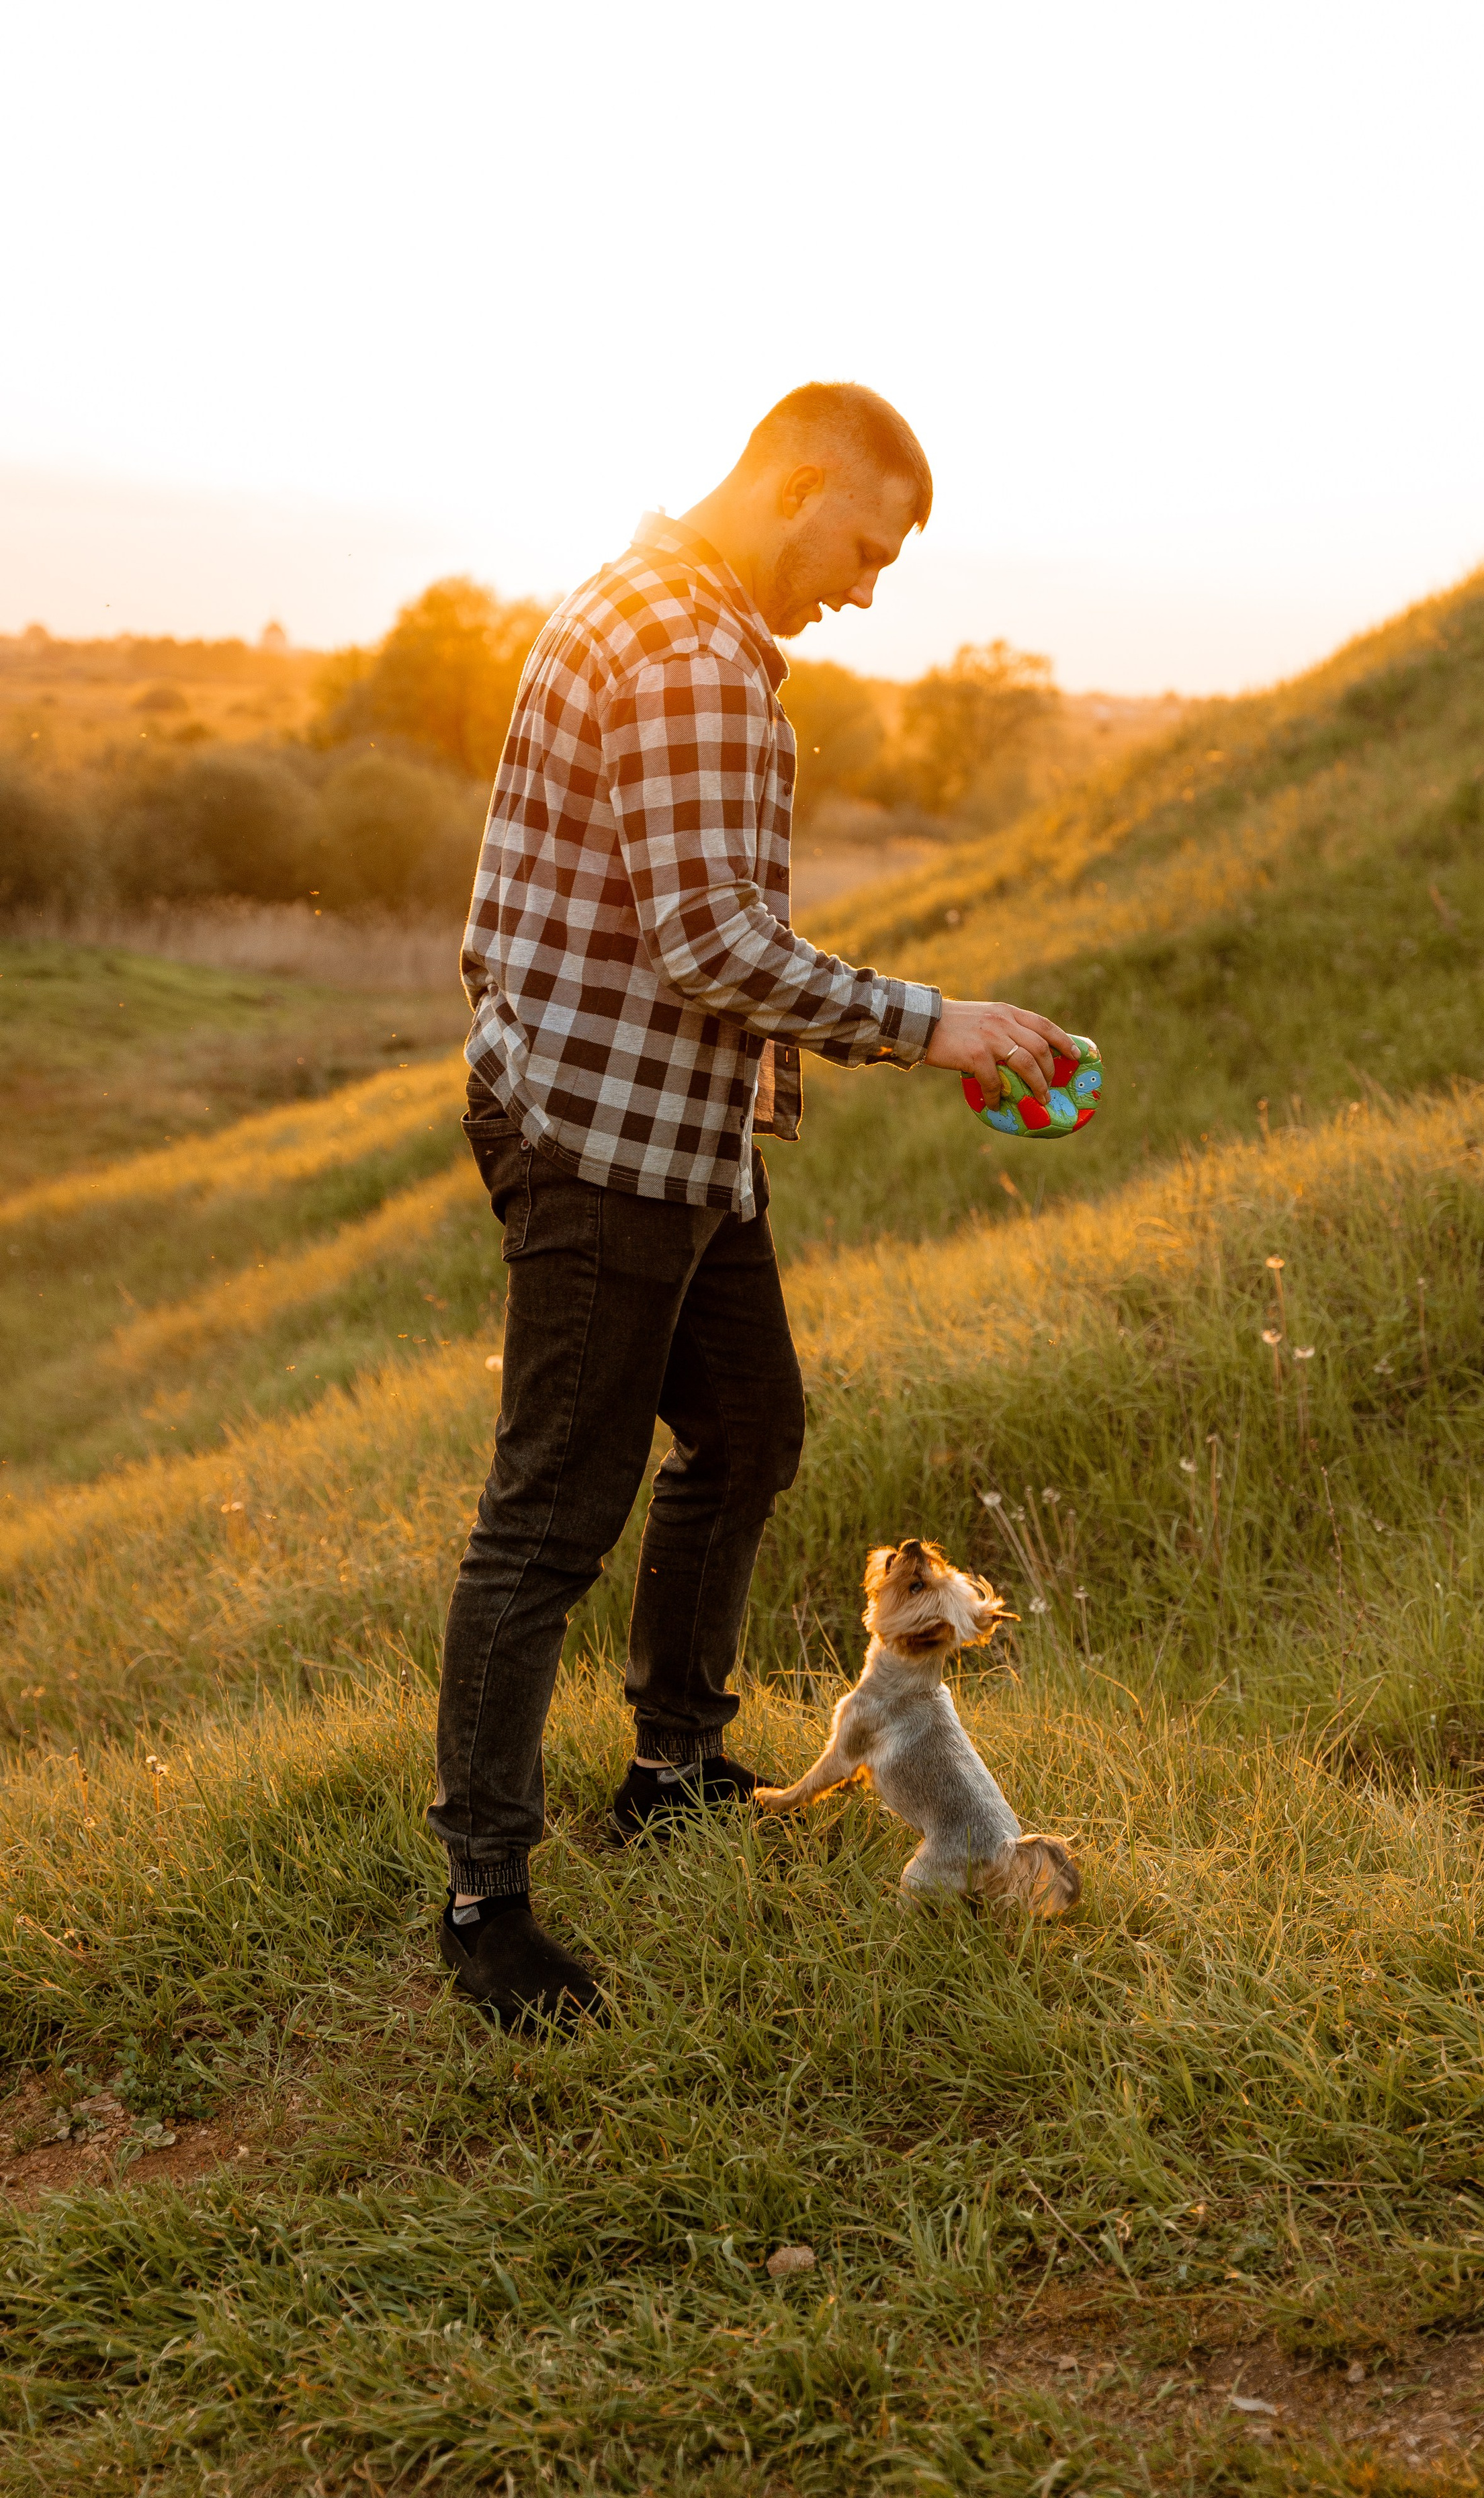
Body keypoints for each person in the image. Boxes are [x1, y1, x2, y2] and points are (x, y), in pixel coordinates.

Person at [431, 381, 1076, 2028]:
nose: (863, 585)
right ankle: (485, 1908)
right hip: (601, 1135)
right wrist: (940, 1026)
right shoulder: (691, 652)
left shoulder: (655, 600)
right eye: (862, 545)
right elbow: (710, 944)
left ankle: (670, 1764)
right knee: (547, 1517)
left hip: (675, 1130)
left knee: (750, 1429)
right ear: (794, 486)